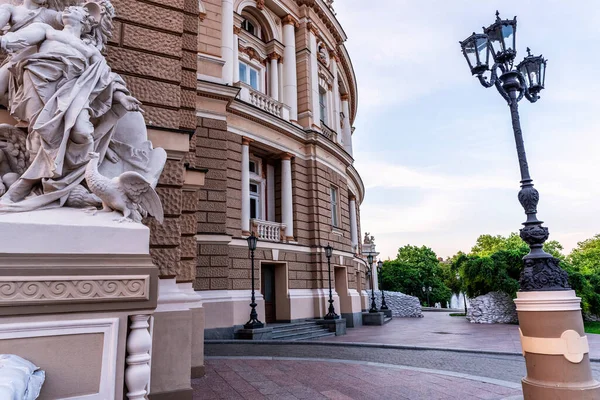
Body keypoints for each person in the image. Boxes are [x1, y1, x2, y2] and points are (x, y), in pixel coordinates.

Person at [0, 3, 142, 211]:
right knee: (46, 139)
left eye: (76, 10)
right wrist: (5, 41)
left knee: (83, 135)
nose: (69, 9)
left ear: (86, 23)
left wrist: (122, 97)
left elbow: (107, 77)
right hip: (38, 86)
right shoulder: (46, 30)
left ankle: (52, 184)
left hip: (71, 96)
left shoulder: (90, 50)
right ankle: (22, 190)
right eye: (68, 9)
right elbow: (16, 39)